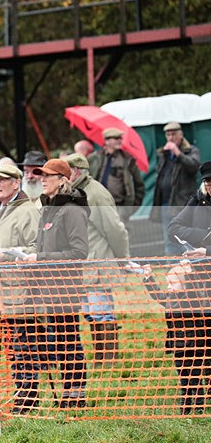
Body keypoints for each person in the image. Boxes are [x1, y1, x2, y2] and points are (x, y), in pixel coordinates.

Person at [21, 159, 89, 408]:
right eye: (41, 176)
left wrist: (40, 258)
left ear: (63, 180)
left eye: (49, 176)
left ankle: (75, 395)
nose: (43, 179)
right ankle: (68, 393)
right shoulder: (49, 208)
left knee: (69, 341)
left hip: (66, 288)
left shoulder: (72, 210)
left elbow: (79, 252)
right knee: (60, 342)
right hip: (48, 288)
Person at [0, 163, 41, 413]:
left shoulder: (28, 211)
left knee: (25, 348)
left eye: (1, 179)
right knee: (13, 348)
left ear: (16, 183)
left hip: (23, 293)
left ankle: (28, 400)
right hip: (1, 293)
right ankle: (21, 395)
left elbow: (37, 248)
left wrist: (5, 255)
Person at [66, 153, 129, 367]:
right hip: (83, 265)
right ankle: (101, 359)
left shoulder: (96, 193)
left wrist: (123, 258)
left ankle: (109, 361)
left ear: (75, 171)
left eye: (66, 171)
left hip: (98, 264)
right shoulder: (74, 192)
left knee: (102, 312)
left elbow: (115, 229)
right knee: (92, 313)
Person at [142, 262, 209, 415]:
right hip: (177, 345)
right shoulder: (170, 298)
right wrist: (149, 278)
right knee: (183, 377)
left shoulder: (192, 298)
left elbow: (194, 284)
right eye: (168, 283)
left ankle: (199, 407)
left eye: (172, 283)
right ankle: (185, 407)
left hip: (194, 344)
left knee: (195, 377)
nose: (169, 286)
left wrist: (189, 271)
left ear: (184, 284)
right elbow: (158, 296)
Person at [149, 122, 202, 256]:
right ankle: (174, 267)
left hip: (183, 204)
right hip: (166, 204)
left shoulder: (191, 150)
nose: (171, 137)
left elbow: (194, 166)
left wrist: (178, 153)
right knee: (169, 238)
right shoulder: (164, 155)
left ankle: (194, 266)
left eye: (173, 134)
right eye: (168, 134)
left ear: (181, 135)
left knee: (188, 237)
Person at [88, 127, 144, 219]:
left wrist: (129, 209)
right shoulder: (95, 158)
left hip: (118, 207)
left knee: (119, 233)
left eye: (120, 138)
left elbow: (139, 186)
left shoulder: (127, 160)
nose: (120, 141)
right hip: (98, 206)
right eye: (116, 138)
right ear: (107, 141)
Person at [168, 161, 211, 254]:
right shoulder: (197, 200)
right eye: (208, 181)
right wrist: (204, 235)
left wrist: (207, 251)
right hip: (200, 265)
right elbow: (172, 229)